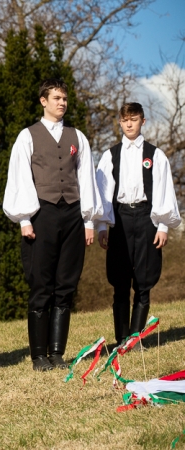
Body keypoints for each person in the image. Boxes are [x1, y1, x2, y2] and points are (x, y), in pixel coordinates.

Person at [3, 79, 102, 371]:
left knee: (66, 284)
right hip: (41, 215)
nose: (62, 103)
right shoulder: (27, 136)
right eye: (56, 98)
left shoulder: (77, 137)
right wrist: (23, 219)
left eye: (65, 98)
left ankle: (57, 353)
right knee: (41, 283)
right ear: (43, 101)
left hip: (73, 215)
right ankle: (38, 356)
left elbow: (86, 179)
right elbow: (19, 177)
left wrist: (88, 220)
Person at [95, 102, 181, 345]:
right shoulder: (110, 156)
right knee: (120, 280)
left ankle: (136, 338)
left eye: (134, 119)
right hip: (120, 219)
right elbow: (102, 193)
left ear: (143, 121)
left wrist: (163, 226)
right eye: (125, 120)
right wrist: (102, 226)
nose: (129, 124)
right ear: (120, 123)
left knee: (143, 280)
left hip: (146, 218)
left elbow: (164, 190)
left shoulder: (156, 155)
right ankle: (121, 338)